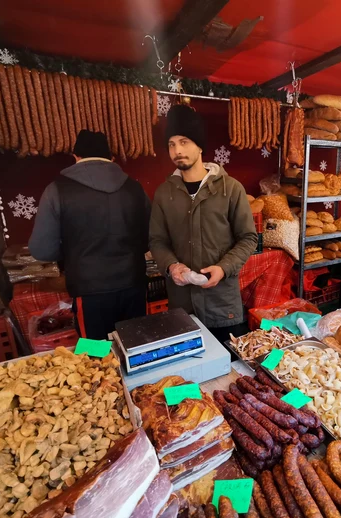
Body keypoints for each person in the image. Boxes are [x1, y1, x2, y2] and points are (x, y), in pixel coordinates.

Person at [149, 104, 257, 342]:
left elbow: (248, 238)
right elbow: (157, 240)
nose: (177, 150)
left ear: (199, 146)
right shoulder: (164, 193)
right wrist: (171, 266)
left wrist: (224, 268)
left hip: (222, 304)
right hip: (182, 304)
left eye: (184, 141)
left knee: (230, 371)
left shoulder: (230, 188)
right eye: (172, 144)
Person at [29, 130, 151, 340]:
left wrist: (70, 251)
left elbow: (42, 250)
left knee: (95, 354)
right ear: (111, 159)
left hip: (89, 293)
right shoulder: (134, 188)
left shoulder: (56, 190)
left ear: (76, 157)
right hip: (134, 285)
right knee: (136, 344)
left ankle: (100, 369)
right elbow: (151, 238)